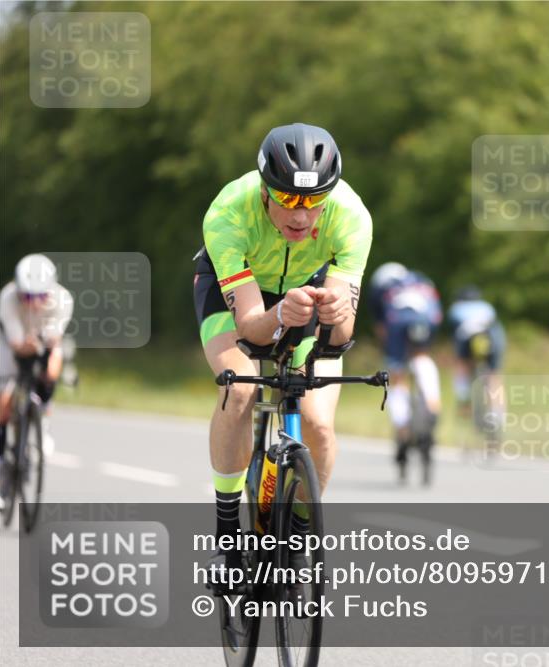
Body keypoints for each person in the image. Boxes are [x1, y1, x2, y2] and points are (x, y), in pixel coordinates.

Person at [194, 123, 372, 578]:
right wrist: (278, 317)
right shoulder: (229, 212)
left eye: (314, 201)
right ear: (265, 189)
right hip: (236, 293)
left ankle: (296, 537)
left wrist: (334, 312)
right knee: (239, 390)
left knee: (319, 426)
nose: (302, 215)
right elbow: (252, 330)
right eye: (289, 198)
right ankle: (228, 532)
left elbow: (340, 337)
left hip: (307, 291)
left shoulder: (351, 216)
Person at [0, 254, 74, 496]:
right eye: (28, 296)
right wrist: (26, 345)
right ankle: (1, 459)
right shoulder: (8, 298)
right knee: (3, 400)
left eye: (40, 296)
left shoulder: (62, 299)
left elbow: (53, 340)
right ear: (19, 290)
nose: (33, 303)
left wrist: (43, 352)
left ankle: (42, 417)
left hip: (42, 341)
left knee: (52, 367)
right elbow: (17, 344)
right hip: (11, 345)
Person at [368, 263, 442, 484]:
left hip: (398, 322)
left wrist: (389, 349)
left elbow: (381, 327)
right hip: (426, 318)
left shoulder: (382, 288)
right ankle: (432, 404)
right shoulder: (421, 279)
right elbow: (437, 310)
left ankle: (402, 429)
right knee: (422, 357)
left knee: (397, 374)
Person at [447, 285, 506, 430]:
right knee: (493, 376)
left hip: (466, 339)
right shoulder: (487, 307)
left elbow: (454, 334)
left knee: (462, 367)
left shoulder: (456, 309)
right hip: (491, 338)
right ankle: (498, 415)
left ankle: (464, 401)